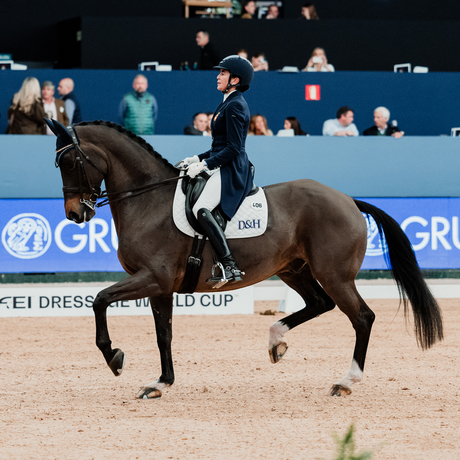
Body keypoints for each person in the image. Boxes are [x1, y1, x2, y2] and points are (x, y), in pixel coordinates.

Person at [178, 55, 255, 286]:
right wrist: (196, 158)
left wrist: (204, 165)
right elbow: (218, 146)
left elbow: (233, 148)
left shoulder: (235, 105)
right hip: (224, 162)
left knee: (202, 208)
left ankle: (229, 265)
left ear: (235, 79)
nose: (218, 76)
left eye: (222, 73)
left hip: (233, 169)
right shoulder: (227, 102)